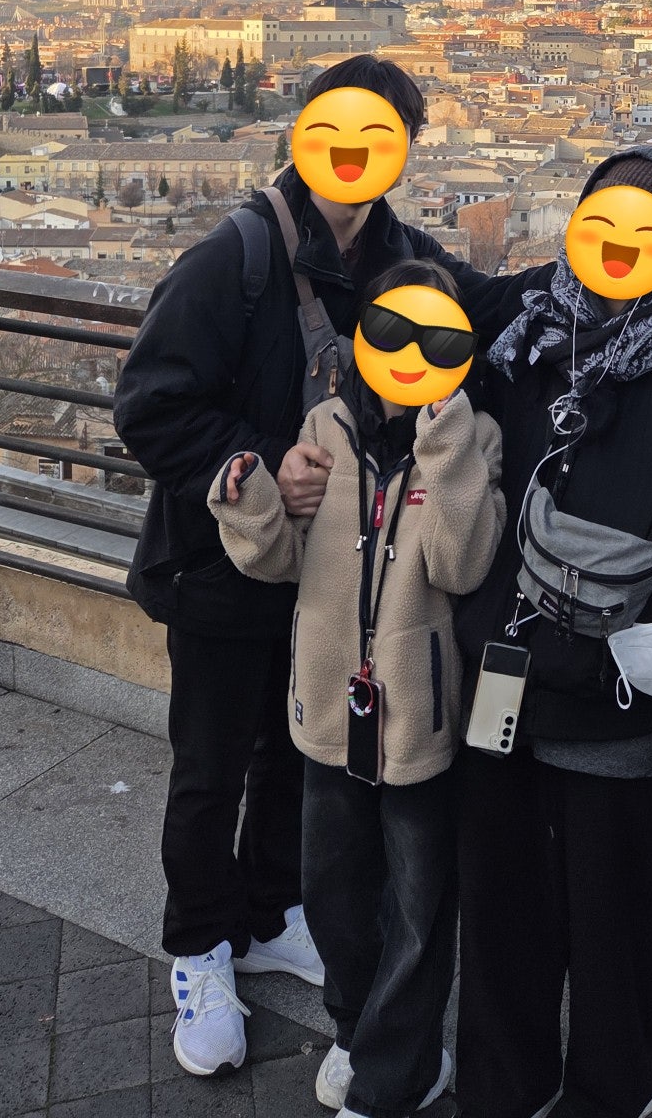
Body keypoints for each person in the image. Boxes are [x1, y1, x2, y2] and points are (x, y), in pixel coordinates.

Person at [113, 53, 508, 1078]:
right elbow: (149, 403)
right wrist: (256, 460)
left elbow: (482, 316)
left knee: (292, 755)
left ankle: (262, 912)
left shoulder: (403, 253)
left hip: (329, 581)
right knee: (209, 766)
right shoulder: (234, 255)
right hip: (220, 562)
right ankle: (199, 946)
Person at [453, 146, 652, 1118]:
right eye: (600, 222)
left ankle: (617, 1084)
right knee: (500, 898)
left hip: (617, 678)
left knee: (612, 906)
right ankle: (505, 1082)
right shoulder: (524, 335)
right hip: (501, 669)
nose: (617, 246)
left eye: (644, 228)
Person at [210, 259, 503, 1118]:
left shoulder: (475, 438)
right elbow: (283, 562)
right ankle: (354, 1029)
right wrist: (251, 503)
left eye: (435, 338)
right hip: (329, 708)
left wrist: (442, 438)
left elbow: (460, 563)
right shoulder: (326, 429)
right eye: (394, 332)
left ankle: (397, 1074)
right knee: (334, 893)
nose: (412, 354)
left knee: (416, 908)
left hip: (418, 717)